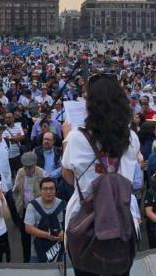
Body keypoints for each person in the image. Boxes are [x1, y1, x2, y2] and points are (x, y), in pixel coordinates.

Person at [61, 72, 141, 276]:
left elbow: (69, 178)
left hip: (85, 220)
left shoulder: (77, 138)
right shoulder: (131, 137)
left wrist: (65, 139)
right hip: (124, 217)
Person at [13, 151, 45, 262]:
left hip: (39, 211)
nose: (27, 170)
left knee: (39, 236)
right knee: (25, 238)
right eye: (25, 167)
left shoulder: (41, 173)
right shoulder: (20, 172)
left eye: (30, 168)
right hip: (25, 210)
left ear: (35, 165)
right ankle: (26, 260)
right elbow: (15, 190)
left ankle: (40, 258)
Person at [24, 177, 66, 263]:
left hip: (59, 249)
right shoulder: (32, 206)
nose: (48, 192)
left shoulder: (63, 205)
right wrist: (48, 235)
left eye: (51, 188)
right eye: (45, 188)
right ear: (40, 190)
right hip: (37, 251)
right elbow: (28, 228)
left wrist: (64, 233)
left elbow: (69, 225)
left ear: (56, 190)